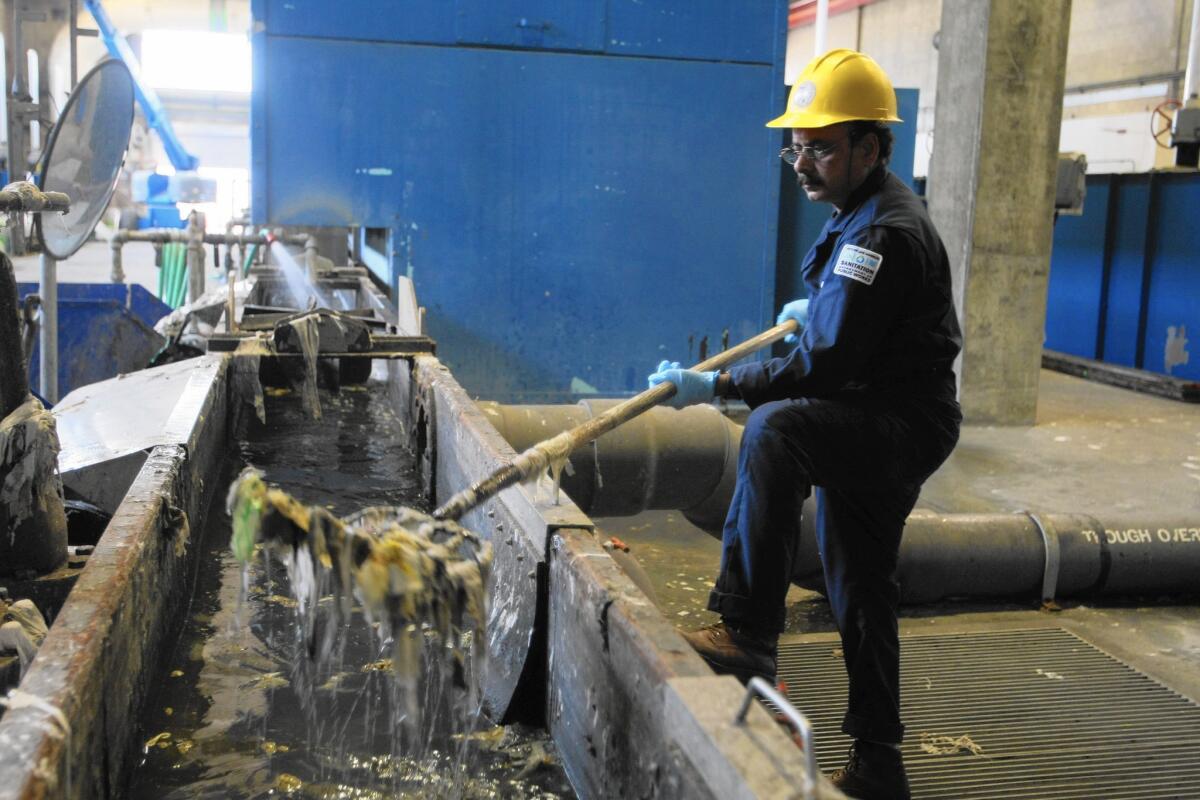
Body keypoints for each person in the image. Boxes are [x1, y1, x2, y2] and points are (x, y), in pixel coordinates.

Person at [647, 49, 962, 800]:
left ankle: (748, 630)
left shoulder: (881, 235)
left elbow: (821, 366)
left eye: (819, 146)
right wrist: (814, 313)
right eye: (796, 144)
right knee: (860, 583)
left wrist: (718, 385)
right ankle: (879, 763)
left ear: (870, 147)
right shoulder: (865, 214)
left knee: (777, 429)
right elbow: (847, 329)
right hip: (888, 412)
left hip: (895, 422)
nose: (801, 162)